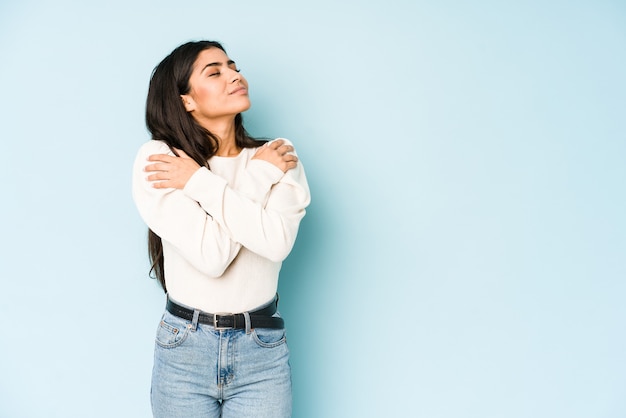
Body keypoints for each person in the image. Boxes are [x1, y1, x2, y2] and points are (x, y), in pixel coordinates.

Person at [131, 40, 310, 418]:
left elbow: (275, 243)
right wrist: (259, 177)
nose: (234, 76)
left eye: (233, 66)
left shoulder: (277, 153)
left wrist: (198, 182)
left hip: (261, 349)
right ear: (186, 101)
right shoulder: (162, 159)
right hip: (185, 349)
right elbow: (213, 257)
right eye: (214, 72)